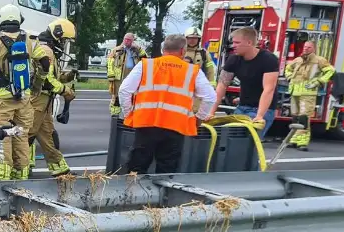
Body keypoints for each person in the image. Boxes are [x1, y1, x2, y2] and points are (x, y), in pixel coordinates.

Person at [118, 33, 217, 174]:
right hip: (175, 127)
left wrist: (129, 114)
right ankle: (164, 195)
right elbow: (210, 97)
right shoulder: (192, 70)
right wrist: (198, 119)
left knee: (136, 169)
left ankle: (133, 195)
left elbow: (124, 90)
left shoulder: (146, 65)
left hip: (146, 124)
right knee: (167, 171)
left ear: (162, 49)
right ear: (183, 50)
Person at [0, 4, 34, 180]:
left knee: (4, 134)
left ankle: (2, 175)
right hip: (23, 95)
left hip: (1, 96)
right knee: (21, 133)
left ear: (0, 19)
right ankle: (21, 174)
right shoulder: (27, 39)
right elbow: (38, 64)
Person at [28, 18, 77, 177]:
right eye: (64, 40)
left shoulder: (49, 50)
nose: (64, 44)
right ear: (57, 35)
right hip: (38, 100)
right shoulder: (47, 51)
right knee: (27, 135)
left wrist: (68, 77)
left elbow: (53, 76)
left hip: (44, 102)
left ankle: (60, 171)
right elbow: (48, 80)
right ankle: (19, 169)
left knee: (47, 136)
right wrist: (66, 91)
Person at [210, 27, 280, 132]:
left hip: (262, 109)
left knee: (247, 142)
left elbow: (269, 89)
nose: (233, 46)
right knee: (230, 139)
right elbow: (222, 85)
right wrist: (211, 112)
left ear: (249, 42)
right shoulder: (233, 59)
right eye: (233, 42)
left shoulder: (269, 59)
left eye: (237, 42)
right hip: (242, 107)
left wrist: (260, 116)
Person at [284, 41, 335, 151]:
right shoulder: (298, 60)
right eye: (305, 46)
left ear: (314, 49)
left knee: (303, 118)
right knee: (295, 117)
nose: (306, 49)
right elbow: (288, 68)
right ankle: (294, 139)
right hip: (295, 92)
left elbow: (331, 71)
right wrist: (289, 78)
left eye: (309, 47)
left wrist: (319, 81)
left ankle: (302, 142)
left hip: (308, 93)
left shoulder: (319, 60)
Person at [107, 33, 147, 116]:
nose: (126, 41)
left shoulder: (137, 50)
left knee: (132, 95)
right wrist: (111, 74)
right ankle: (115, 115)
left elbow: (145, 60)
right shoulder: (117, 50)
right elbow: (110, 62)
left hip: (132, 75)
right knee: (116, 95)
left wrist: (138, 48)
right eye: (125, 39)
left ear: (133, 41)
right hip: (119, 76)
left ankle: (130, 115)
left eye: (129, 40)